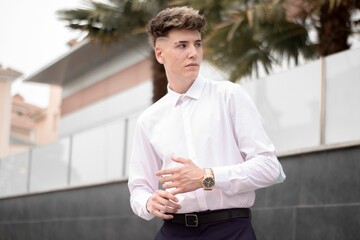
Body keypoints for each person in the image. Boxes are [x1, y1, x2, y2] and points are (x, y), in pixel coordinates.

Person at [128, 6, 286, 240]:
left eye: (197, 44)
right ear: (160, 54)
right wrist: (149, 202)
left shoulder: (230, 96)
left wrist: (206, 177)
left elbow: (270, 169)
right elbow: (139, 188)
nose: (194, 53)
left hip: (230, 230)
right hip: (174, 232)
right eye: (182, 45)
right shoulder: (149, 119)